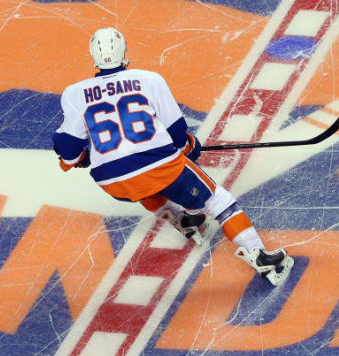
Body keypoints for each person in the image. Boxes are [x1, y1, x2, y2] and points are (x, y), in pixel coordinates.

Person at [52, 27, 293, 286]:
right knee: (218, 200)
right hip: (160, 166)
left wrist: (82, 158)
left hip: (112, 180)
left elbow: (67, 147)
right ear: (124, 53)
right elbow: (177, 133)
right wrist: (191, 147)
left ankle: (184, 220)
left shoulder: (74, 93)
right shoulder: (148, 80)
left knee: (140, 183)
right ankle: (260, 257)